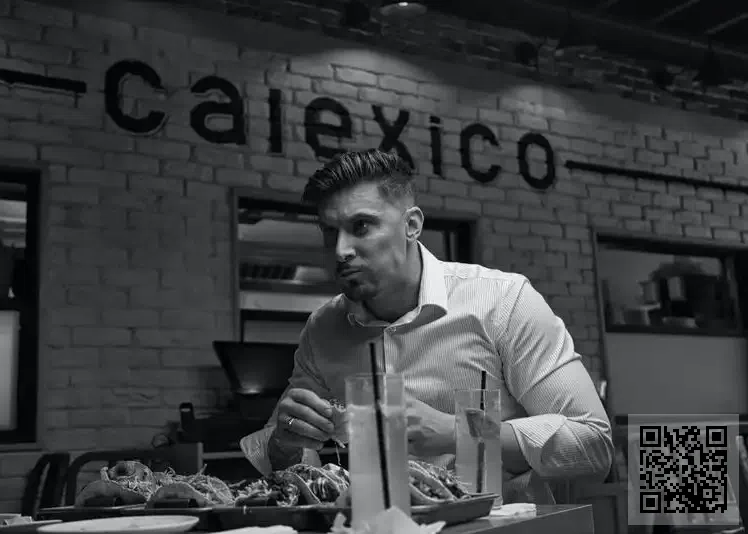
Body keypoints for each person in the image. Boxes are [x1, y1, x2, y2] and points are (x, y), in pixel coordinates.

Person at [240, 149, 614, 503]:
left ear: (412, 225)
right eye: (329, 231)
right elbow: (289, 466)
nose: (340, 250)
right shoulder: (322, 328)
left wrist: (457, 431)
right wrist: (285, 444)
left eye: (361, 226)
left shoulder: (502, 300)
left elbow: (594, 443)